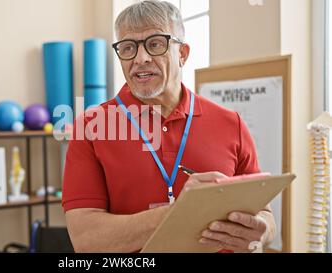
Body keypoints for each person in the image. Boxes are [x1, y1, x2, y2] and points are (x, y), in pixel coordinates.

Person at [62, 0, 276, 253]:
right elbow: (86, 240)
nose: (141, 58)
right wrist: (181, 213)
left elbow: (265, 214)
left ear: (182, 54)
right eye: (128, 47)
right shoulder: (91, 127)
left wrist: (261, 231)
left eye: (155, 44)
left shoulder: (232, 123)